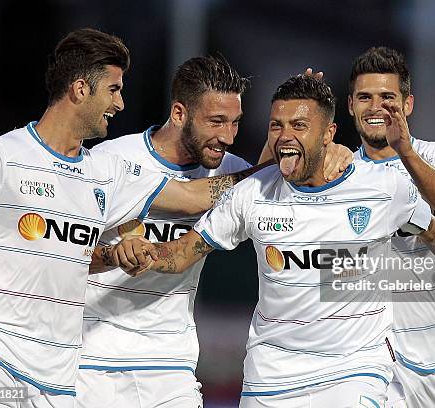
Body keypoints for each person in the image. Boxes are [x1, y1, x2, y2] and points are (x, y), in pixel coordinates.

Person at [108, 75, 435, 408]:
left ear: (329, 133)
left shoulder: (382, 188)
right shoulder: (252, 194)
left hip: (353, 372)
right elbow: (183, 253)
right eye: (276, 126)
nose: (285, 136)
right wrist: (137, 252)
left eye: (299, 125)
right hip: (270, 374)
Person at [0, 29, 260, 407]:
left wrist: (277, 164)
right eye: (113, 90)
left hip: (64, 375)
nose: (119, 104)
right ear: (81, 89)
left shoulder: (105, 174)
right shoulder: (2, 156)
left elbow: (191, 196)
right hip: (3, 358)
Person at [78, 56, 353, 408]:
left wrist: (330, 147)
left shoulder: (233, 171)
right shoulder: (108, 161)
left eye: (235, 123)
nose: (227, 136)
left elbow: (279, 178)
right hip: (93, 358)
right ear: (179, 114)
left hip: (170, 362)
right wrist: (113, 256)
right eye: (216, 121)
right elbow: (67, 254)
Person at [348, 46, 435, 407]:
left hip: (426, 353)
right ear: (351, 105)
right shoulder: (339, 171)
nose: (375, 107)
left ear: (408, 105)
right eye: (365, 97)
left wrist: (405, 152)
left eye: (388, 97)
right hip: (359, 347)